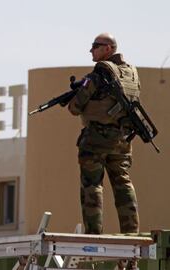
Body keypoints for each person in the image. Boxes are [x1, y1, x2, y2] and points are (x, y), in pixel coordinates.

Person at [68, 33, 140, 269]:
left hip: (97, 137)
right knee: (123, 182)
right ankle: (131, 234)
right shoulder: (130, 71)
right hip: (122, 138)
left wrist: (76, 96)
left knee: (92, 185)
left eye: (95, 47)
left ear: (108, 49)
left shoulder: (101, 72)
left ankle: (93, 236)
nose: (91, 51)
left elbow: (76, 106)